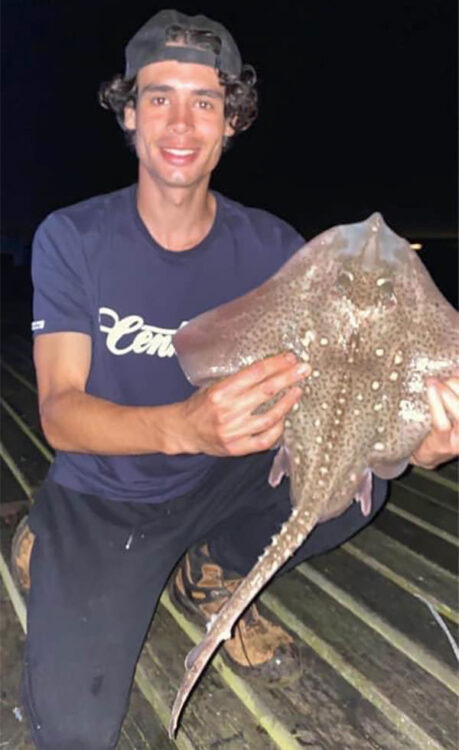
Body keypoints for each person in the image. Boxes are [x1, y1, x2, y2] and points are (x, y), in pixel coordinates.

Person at [20, 9, 459, 750]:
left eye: (206, 101)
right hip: (106, 494)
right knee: (75, 729)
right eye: (159, 97)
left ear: (232, 121)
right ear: (128, 112)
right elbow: (60, 412)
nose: (181, 122)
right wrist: (180, 425)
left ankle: (212, 567)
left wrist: (421, 443)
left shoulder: (273, 248)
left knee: (357, 485)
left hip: (216, 478)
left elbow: (340, 389)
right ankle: (49, 540)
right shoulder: (73, 237)